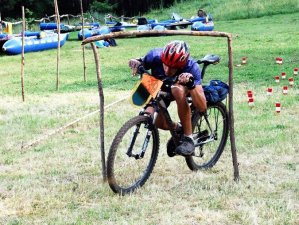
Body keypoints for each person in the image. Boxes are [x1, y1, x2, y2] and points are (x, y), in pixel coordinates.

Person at [129, 40, 207, 156]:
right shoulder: (154, 56)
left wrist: (190, 84)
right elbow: (140, 61)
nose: (168, 70)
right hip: (161, 88)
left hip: (179, 90)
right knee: (153, 119)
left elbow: (202, 107)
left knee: (177, 89)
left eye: (173, 68)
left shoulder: (191, 67)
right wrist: (135, 62)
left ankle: (188, 138)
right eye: (165, 65)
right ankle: (178, 128)